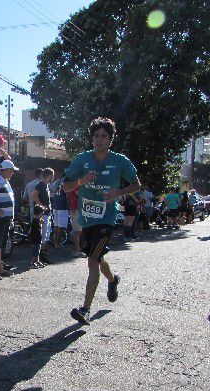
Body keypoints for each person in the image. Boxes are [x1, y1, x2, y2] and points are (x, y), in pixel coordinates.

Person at [63, 117, 140, 325]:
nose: (99, 140)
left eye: (104, 136)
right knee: (97, 257)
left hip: (107, 217)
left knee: (91, 260)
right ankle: (113, 280)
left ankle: (85, 309)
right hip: (87, 218)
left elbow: (137, 185)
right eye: (96, 136)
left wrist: (119, 192)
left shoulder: (120, 161)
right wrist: (80, 181)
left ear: (110, 139)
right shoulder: (82, 159)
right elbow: (65, 187)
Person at [31, 168, 54, 260]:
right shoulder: (40, 185)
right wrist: (41, 205)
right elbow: (33, 194)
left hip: (47, 214)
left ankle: (42, 256)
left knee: (46, 235)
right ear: (48, 176)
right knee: (42, 236)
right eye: (52, 176)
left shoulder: (46, 185)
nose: (53, 178)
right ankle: (39, 257)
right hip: (42, 214)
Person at [50, 175, 69, 248]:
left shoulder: (57, 181)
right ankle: (57, 244)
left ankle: (55, 243)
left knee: (56, 226)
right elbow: (67, 195)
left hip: (56, 205)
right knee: (61, 227)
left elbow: (52, 191)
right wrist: (69, 206)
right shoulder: (66, 182)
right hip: (63, 206)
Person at [67, 187, 85, 257]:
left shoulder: (74, 185)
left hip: (75, 208)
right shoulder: (76, 185)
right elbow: (79, 195)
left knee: (78, 230)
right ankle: (76, 250)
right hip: (76, 208)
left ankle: (78, 249)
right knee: (77, 231)